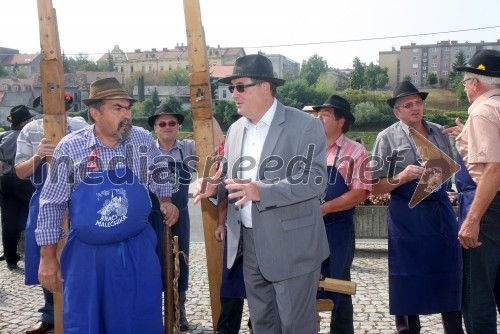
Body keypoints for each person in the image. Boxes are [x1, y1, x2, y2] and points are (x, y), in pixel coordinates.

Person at [193, 54, 329, 333]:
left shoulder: (305, 125)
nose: (234, 94)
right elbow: (231, 183)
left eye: (241, 86)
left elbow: (315, 180)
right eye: (232, 88)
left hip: (293, 246)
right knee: (263, 325)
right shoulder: (234, 130)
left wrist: (262, 191)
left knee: (295, 326)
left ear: (265, 87)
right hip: (250, 245)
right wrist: (213, 189)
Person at [35, 77, 179, 333]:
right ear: (95, 113)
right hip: (86, 258)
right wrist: (47, 258)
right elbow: (51, 203)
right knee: (87, 322)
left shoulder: (141, 140)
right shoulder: (71, 147)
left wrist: (166, 200)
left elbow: (159, 172)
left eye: (128, 108)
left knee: (138, 320)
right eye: (118, 108)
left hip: (136, 252)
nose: (127, 115)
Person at [371, 81, 464, 334]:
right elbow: (374, 187)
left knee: (450, 273)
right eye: (408, 105)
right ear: (397, 112)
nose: (415, 108)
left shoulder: (438, 132)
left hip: (440, 213)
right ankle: (408, 331)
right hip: (406, 217)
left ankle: (455, 330)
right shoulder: (386, 137)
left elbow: (449, 173)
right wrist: (401, 177)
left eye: (419, 103)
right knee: (407, 278)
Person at [15, 94, 88, 334]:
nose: (58, 113)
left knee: (80, 255)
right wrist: (38, 156)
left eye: (63, 108)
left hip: (79, 197)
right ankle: (50, 313)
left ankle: (81, 310)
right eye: (50, 109)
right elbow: (20, 172)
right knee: (46, 256)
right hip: (45, 196)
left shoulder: (81, 126)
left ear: (68, 108)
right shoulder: (30, 131)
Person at [147, 104, 223, 331]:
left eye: (172, 123)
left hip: (180, 215)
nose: (168, 127)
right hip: (151, 217)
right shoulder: (147, 150)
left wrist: (204, 110)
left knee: (181, 263)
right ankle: (155, 315)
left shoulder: (189, 148)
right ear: (155, 128)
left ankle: (179, 313)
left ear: (179, 126)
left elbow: (217, 141)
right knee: (152, 265)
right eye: (162, 123)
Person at [444, 49, 500, 333]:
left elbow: (493, 170)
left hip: (489, 206)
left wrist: (472, 219)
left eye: (465, 82)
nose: (465, 87)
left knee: (477, 294)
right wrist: (467, 134)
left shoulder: (482, 111)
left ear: (475, 83)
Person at [313, 95, 371, 333]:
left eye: (325, 113)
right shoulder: (307, 148)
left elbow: (361, 192)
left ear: (341, 121)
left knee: (339, 287)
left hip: (338, 229)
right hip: (306, 229)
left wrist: (325, 208)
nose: (319, 117)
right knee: (302, 285)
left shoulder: (356, 151)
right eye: (319, 113)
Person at [0, 105, 36, 270]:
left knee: (9, 222)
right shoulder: (27, 135)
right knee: (38, 214)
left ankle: (10, 257)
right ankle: (37, 252)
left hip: (6, 180)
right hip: (23, 180)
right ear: (26, 121)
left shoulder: (4, 136)